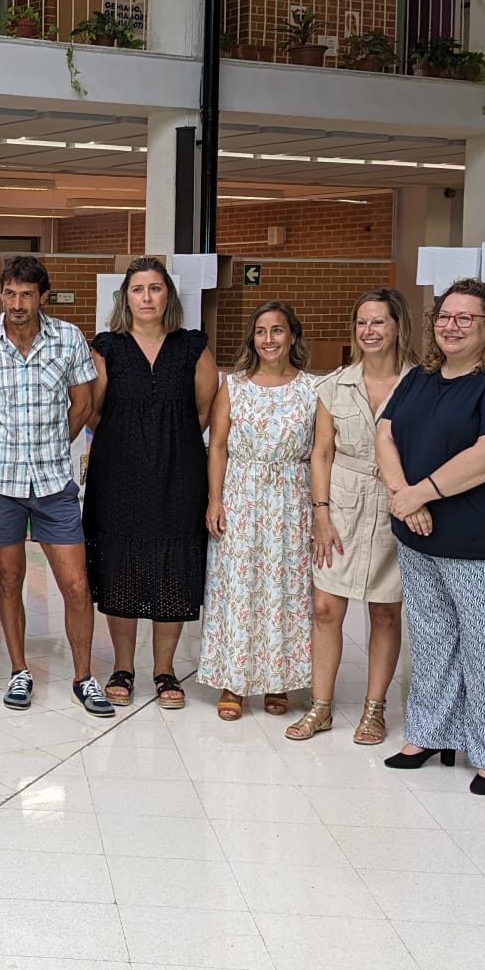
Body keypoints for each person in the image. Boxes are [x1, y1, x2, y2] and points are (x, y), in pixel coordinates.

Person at [376, 277, 485, 795]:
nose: (450, 326)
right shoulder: (422, 377)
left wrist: (422, 491)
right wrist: (405, 494)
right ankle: (431, 732)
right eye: (443, 317)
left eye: (464, 318)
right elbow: (385, 432)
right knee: (432, 640)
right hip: (420, 533)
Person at [0, 254, 112, 716]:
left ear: (42, 296)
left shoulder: (68, 338)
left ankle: (84, 678)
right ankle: (20, 672)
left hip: (53, 483)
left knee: (76, 584)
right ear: (1, 294)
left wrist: (47, 446)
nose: (18, 303)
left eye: (27, 294)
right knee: (9, 580)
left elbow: (83, 404)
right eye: (10, 293)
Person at [83, 256, 218, 711]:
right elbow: (94, 410)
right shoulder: (106, 347)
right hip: (117, 471)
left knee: (171, 571)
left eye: (155, 289)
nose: (146, 298)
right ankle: (123, 667)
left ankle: (165, 670)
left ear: (169, 296)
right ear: (125, 297)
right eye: (138, 289)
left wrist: (166, 436)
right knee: (120, 566)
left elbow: (204, 411)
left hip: (179, 472)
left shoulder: (193, 347)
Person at [296, 289, 416, 744]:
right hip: (342, 504)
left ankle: (374, 709)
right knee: (327, 608)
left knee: (386, 612)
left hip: (395, 504)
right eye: (362, 323)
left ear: (398, 326)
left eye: (379, 323)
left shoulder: (421, 384)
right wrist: (320, 514)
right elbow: (321, 452)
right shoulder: (334, 385)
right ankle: (321, 707)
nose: (369, 331)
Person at [197, 301, 316, 721]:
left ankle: (278, 681)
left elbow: (321, 454)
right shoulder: (234, 386)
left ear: (293, 337)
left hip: (291, 499)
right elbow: (217, 445)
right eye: (262, 331)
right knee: (238, 589)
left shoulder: (312, 389)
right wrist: (214, 498)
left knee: (284, 591)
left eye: (278, 330)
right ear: (252, 338)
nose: (269, 339)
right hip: (241, 496)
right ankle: (233, 680)